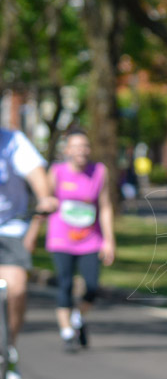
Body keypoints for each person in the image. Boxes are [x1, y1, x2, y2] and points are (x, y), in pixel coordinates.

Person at [35, 130, 115, 352]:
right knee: (66, 283)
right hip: (61, 238)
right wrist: (33, 231)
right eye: (76, 146)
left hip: (90, 239)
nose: (82, 150)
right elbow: (45, 202)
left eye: (85, 146)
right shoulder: (57, 172)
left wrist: (109, 240)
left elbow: (105, 206)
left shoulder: (99, 172)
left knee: (91, 286)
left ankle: (78, 317)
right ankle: (67, 332)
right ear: (67, 150)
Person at [0, 125, 59, 379]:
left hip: (10, 227)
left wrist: (45, 196)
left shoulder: (13, 141)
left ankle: (9, 348)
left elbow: (35, 171)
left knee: (16, 288)